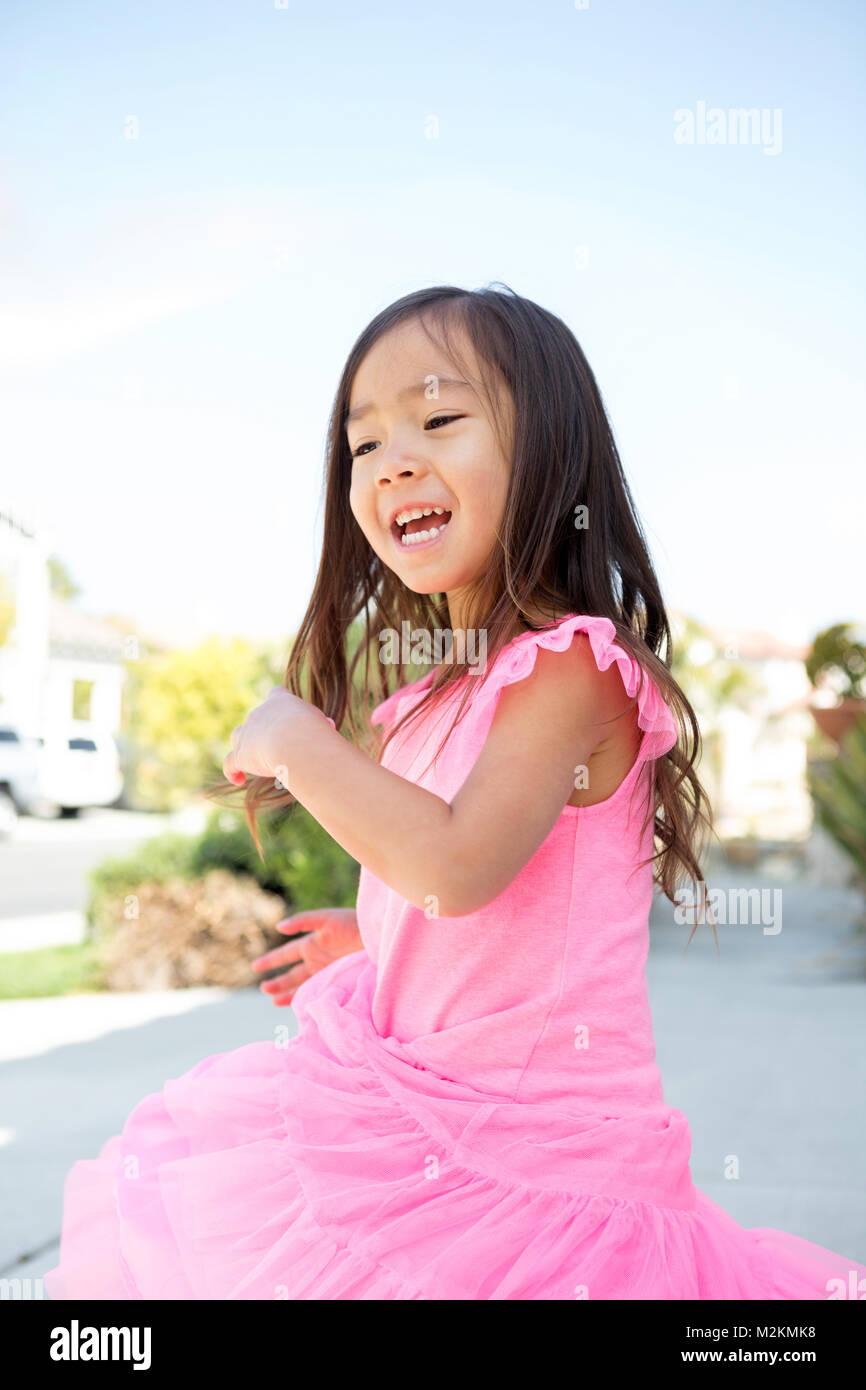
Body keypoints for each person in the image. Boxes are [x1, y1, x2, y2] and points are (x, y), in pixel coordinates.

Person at [44, 284, 866, 1299]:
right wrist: (383, 932)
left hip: (540, 1171)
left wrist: (298, 740)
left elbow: (453, 862)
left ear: (549, 455)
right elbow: (454, 883)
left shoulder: (573, 668)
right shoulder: (431, 695)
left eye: (437, 419)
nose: (391, 458)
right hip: (429, 1124)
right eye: (362, 443)